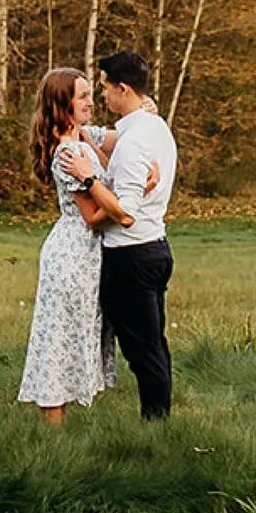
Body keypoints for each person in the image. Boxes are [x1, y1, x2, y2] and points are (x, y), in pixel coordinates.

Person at [62, 49, 178, 420]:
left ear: (123, 88)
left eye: (105, 88)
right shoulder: (152, 126)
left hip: (131, 255)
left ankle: (156, 422)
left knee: (143, 350)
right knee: (153, 344)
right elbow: (105, 138)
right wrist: (79, 132)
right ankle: (159, 419)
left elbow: (123, 212)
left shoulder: (133, 143)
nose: (101, 97)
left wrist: (88, 177)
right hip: (155, 247)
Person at [17, 68, 118, 426]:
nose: (91, 101)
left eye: (92, 93)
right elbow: (92, 215)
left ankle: (61, 435)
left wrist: (144, 116)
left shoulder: (84, 136)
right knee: (58, 342)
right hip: (72, 253)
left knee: (77, 336)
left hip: (89, 255)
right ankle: (52, 441)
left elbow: (121, 138)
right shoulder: (66, 152)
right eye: (82, 96)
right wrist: (128, 204)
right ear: (63, 104)